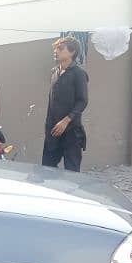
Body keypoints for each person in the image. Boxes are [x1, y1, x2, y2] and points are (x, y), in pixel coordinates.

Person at [42, 36, 89, 172]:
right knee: (47, 170)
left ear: (72, 52)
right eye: (55, 48)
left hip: (71, 132)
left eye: (60, 48)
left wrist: (66, 120)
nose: (56, 51)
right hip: (53, 130)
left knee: (72, 173)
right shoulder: (54, 73)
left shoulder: (79, 74)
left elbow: (83, 101)